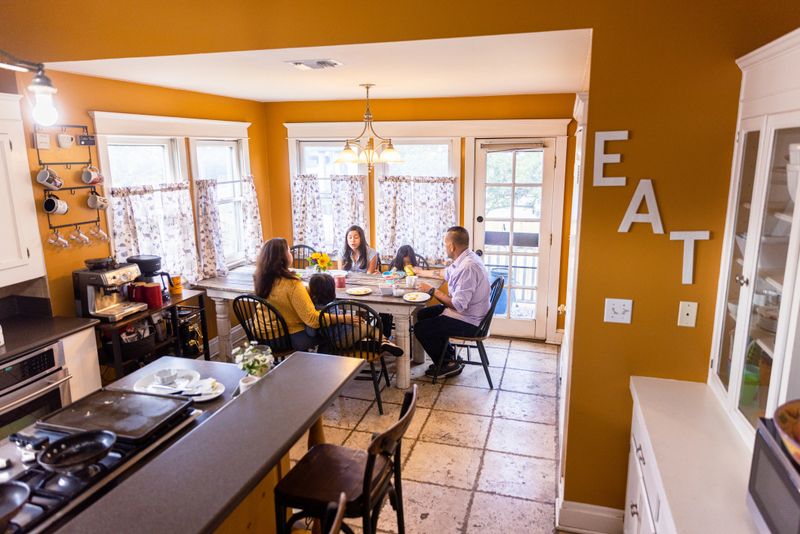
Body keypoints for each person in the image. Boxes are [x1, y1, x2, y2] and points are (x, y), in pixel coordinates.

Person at [413, 226, 491, 377]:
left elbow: (458, 305)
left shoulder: (468, 267)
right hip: (470, 313)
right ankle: (449, 356)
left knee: (421, 328)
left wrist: (432, 291)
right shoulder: (465, 258)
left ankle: (447, 364)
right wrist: (420, 272)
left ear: (451, 246)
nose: (444, 247)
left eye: (444, 244)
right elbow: (444, 272)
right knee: (423, 314)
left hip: (471, 322)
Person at [254, 238, 329, 351]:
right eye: (289, 251)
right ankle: (318, 365)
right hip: (283, 338)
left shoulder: (261, 278)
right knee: (330, 334)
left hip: (260, 335)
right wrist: (342, 318)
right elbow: (312, 320)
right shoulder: (292, 284)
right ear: (282, 259)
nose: (291, 253)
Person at [307, 272, 403, 357]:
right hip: (347, 336)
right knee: (371, 329)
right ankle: (384, 342)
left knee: (355, 334)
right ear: (332, 289)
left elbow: (311, 332)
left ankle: (372, 345)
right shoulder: (333, 304)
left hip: (330, 341)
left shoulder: (312, 309)